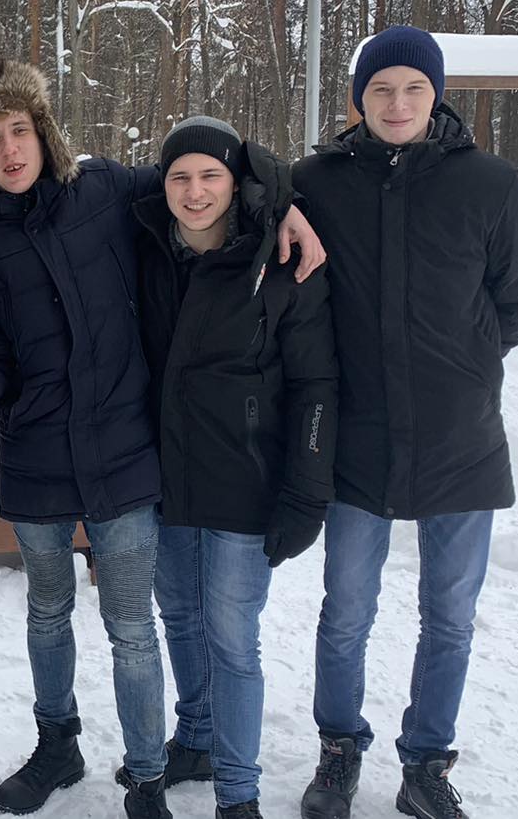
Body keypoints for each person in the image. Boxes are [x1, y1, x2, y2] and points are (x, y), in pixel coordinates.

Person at [0, 58, 326, 819]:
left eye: (19, 129)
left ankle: (147, 777)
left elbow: (204, 170)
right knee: (47, 614)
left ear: (43, 131)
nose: (9, 149)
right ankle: (56, 745)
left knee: (132, 627)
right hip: (36, 461)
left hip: (125, 456)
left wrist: (282, 202)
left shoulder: (105, 191)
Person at [290, 26, 518, 819]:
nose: (397, 103)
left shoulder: (491, 184)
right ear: (358, 100)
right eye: (380, 89)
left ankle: (426, 765)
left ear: (436, 95)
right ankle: (339, 749)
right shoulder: (317, 183)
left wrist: (469, 357)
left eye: (413, 88)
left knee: (450, 616)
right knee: (346, 611)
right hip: (357, 439)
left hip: (459, 438)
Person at [131, 118, 338, 819]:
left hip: (247, 482)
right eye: (180, 177)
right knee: (179, 616)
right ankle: (195, 736)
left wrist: (306, 493)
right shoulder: (146, 247)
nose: (195, 192)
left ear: (235, 181)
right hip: (165, 478)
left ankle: (238, 793)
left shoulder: (279, 259)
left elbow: (316, 386)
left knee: (232, 639)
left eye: (211, 176)